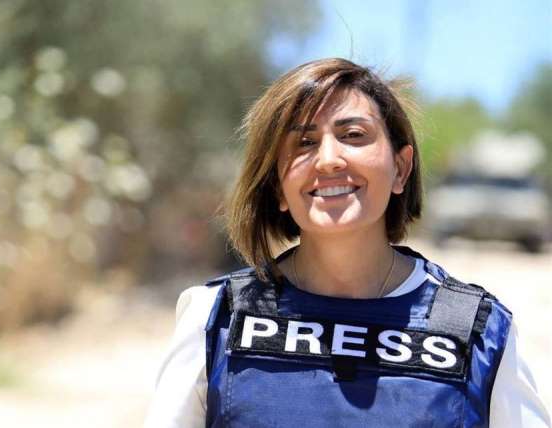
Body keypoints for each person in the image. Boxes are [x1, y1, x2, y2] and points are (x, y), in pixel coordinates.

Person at [146, 58, 550, 427]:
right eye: (304, 143)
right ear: (278, 186)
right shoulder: (215, 319)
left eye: (353, 135)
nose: (328, 159)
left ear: (401, 168)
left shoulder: (481, 334)